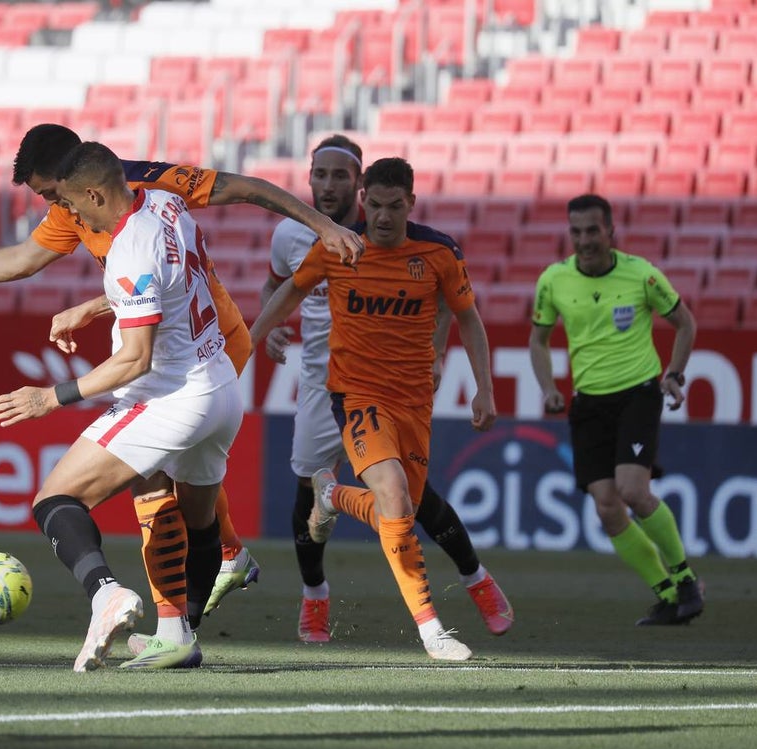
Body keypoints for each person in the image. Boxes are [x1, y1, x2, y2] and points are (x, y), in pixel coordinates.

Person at [0, 123, 364, 623]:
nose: (56, 207)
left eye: (52, 193)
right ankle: (209, 578)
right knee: (170, 486)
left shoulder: (151, 185)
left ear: (80, 176)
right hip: (172, 351)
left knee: (153, 480)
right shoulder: (82, 207)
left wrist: (323, 226)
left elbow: (243, 190)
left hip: (207, 346)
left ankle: (178, 609)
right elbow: (29, 258)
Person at [0, 141, 242, 670]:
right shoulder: (166, 203)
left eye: (74, 204)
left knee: (55, 499)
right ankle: (178, 636)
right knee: (200, 523)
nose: (70, 215)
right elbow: (168, 280)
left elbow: (135, 361)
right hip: (222, 386)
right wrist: (100, 305)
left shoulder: (127, 250)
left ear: (96, 193)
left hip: (172, 395)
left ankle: (106, 594)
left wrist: (51, 396)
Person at [261, 136, 513, 643]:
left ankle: (474, 576)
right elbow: (279, 288)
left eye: (340, 177)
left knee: (408, 503)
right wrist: (258, 336)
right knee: (321, 489)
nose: (330, 185)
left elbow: (453, 309)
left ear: (358, 186)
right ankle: (317, 599)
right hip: (328, 384)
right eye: (321, 175)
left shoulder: (431, 250)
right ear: (309, 179)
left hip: (406, 390)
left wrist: (446, 364)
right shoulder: (301, 238)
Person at [529, 194, 703, 626]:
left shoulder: (641, 274)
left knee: (631, 490)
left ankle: (685, 579)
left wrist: (675, 376)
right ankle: (667, 595)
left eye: (593, 230)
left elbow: (686, 323)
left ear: (610, 231)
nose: (584, 240)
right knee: (606, 506)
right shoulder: (553, 280)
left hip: (637, 393)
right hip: (588, 403)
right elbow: (539, 338)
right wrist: (549, 387)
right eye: (576, 231)